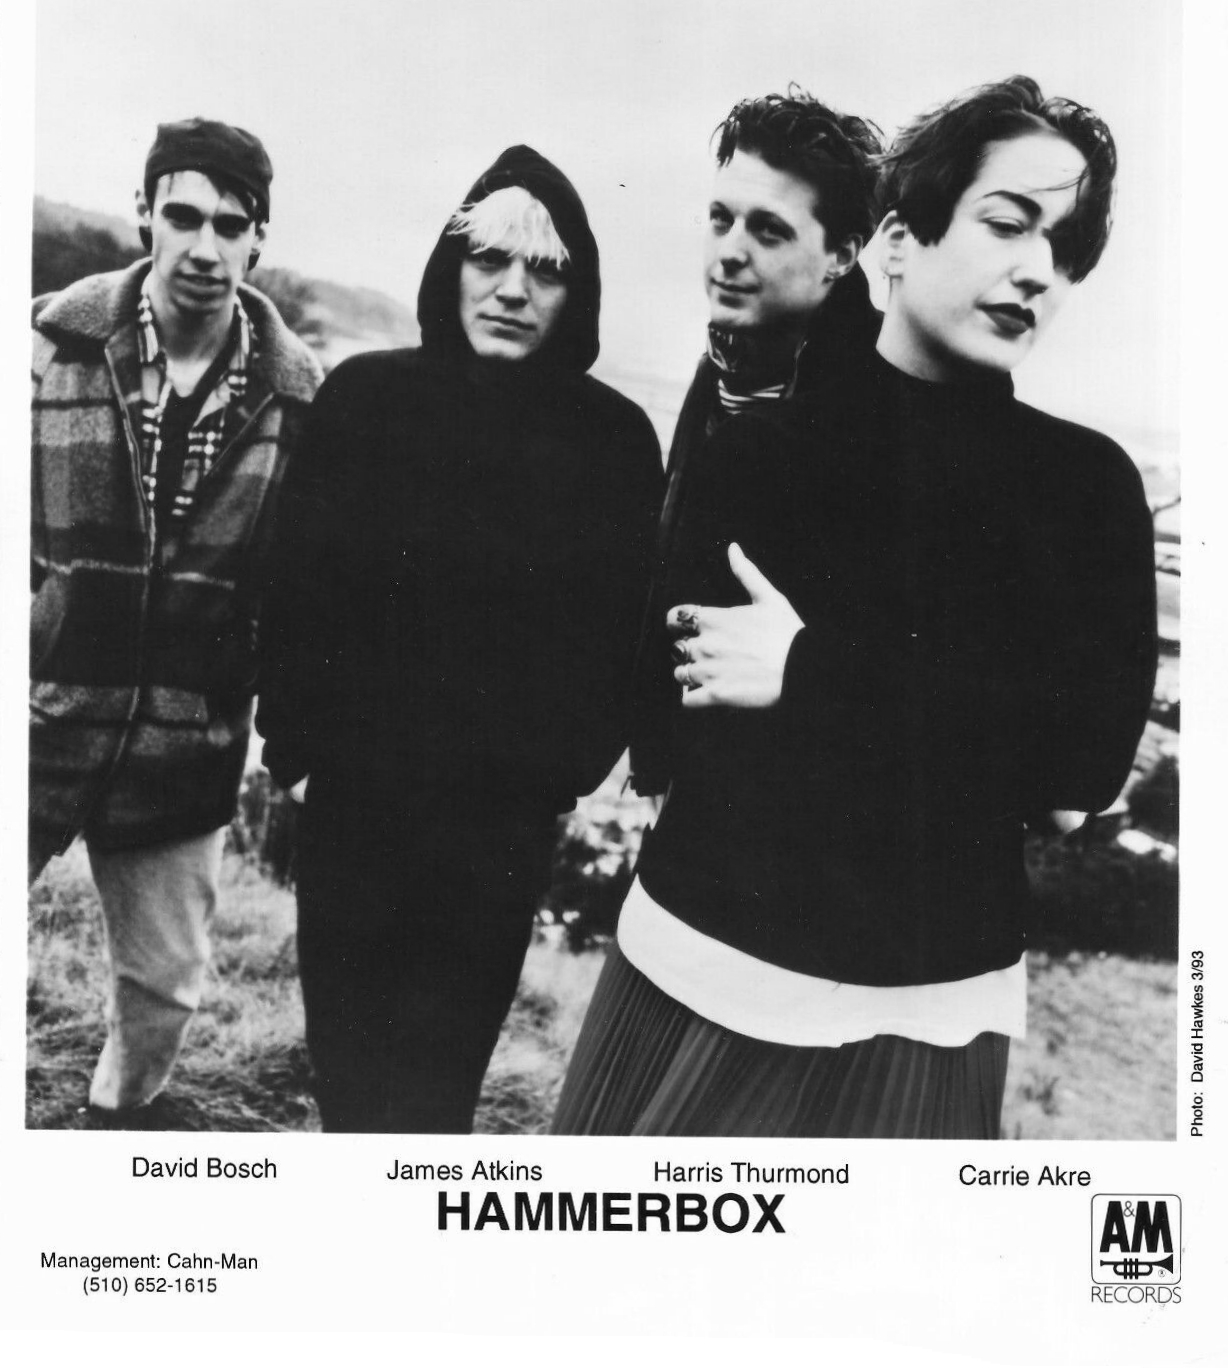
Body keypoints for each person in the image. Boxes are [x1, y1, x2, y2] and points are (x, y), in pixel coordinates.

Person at [554, 76, 1158, 1138]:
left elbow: (1076, 776)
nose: (1036, 269)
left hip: (929, 1018)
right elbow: (687, 723)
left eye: (1064, 249)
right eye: (1007, 222)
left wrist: (807, 670)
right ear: (896, 241)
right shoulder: (757, 452)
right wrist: (961, 728)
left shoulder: (1088, 487)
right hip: (694, 970)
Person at [257, 144, 663, 1133]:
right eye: (490, 259)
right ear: (453, 266)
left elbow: (620, 638)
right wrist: (296, 753)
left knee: (439, 1095)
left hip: (495, 835)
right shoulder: (364, 398)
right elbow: (296, 586)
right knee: (349, 1083)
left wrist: (554, 777)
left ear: (578, 292)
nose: (513, 289)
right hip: (354, 814)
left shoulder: (612, 442)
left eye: (546, 270)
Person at [30, 117, 322, 1122]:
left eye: (230, 225)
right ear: (143, 216)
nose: (204, 246)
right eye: (183, 216)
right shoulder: (45, 346)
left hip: (183, 745)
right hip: (38, 714)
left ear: (258, 240)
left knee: (163, 991)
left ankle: (113, 1121)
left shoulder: (300, 401)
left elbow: (298, 590)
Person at [630, 88, 884, 793]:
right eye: (721, 218)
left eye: (768, 230)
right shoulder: (720, 370)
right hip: (693, 799)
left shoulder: (875, 409)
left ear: (842, 254)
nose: (730, 252)